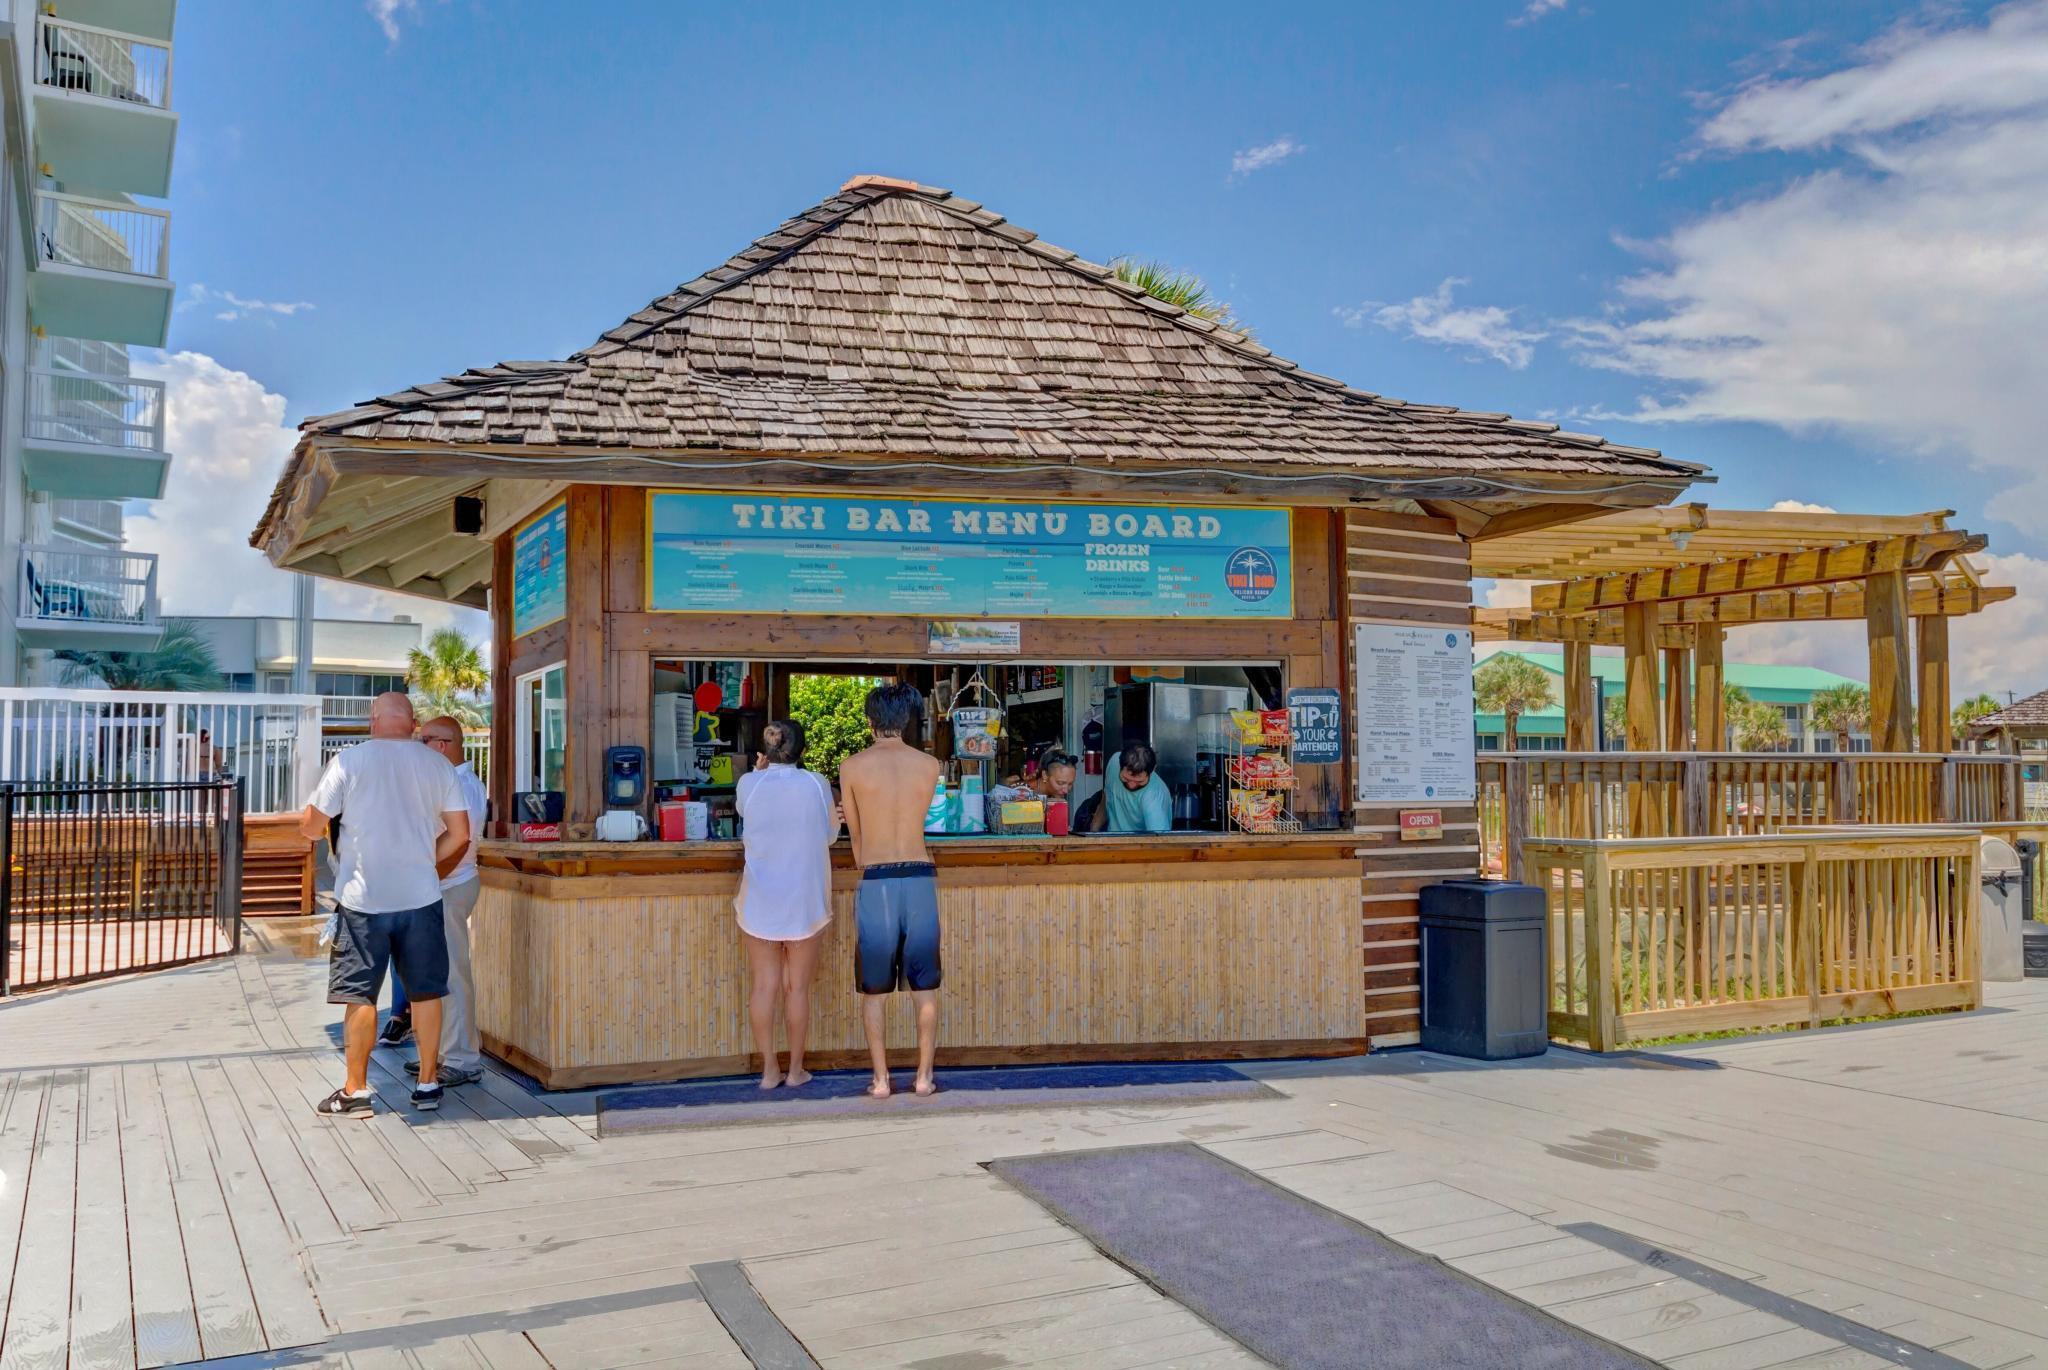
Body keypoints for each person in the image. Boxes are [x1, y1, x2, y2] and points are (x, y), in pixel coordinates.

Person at [298, 693, 472, 1118]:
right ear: (412, 723)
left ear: (373, 719)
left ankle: (356, 1091)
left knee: (359, 996)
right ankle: (428, 1083)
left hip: (362, 901)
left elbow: (310, 826)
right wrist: (424, 861)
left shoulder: (348, 761)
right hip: (422, 896)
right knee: (428, 993)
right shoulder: (436, 764)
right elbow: (461, 833)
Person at [838, 682, 944, 1098]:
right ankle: (923, 1078)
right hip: (920, 877)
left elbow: (858, 846)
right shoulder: (930, 765)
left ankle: (881, 1080)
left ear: (869, 721)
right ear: (907, 721)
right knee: (926, 988)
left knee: (874, 991)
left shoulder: (852, 767)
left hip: (877, 880)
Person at [734, 719, 838, 1089]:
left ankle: (768, 1072)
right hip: (804, 902)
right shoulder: (816, 783)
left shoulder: (749, 783)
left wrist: (757, 772)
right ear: (802, 750)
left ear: (765, 751)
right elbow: (829, 836)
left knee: (764, 986)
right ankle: (795, 1071)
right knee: (797, 989)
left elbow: (745, 810)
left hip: (759, 900)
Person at [404, 716, 489, 1088]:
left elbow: (461, 843)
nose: (418, 747)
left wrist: (424, 881)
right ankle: (440, 1054)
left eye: (424, 741)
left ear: (443, 745)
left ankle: (463, 1058)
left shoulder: (463, 785)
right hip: (440, 886)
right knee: (439, 975)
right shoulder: (448, 782)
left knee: (454, 975)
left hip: (449, 887)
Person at [1089, 742, 1173, 833]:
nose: (1131, 785)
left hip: (1140, 846)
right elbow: (1107, 799)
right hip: (1111, 842)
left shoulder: (1154, 798)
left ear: (1152, 771)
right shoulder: (1113, 763)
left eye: (1139, 781)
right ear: (1119, 766)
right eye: (1126, 778)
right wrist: (1093, 831)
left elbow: (1158, 843)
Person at [990, 751, 1077, 808]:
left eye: (1070, 784)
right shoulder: (1023, 792)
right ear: (1045, 775)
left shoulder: (1054, 796)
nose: (1066, 790)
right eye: (1060, 783)